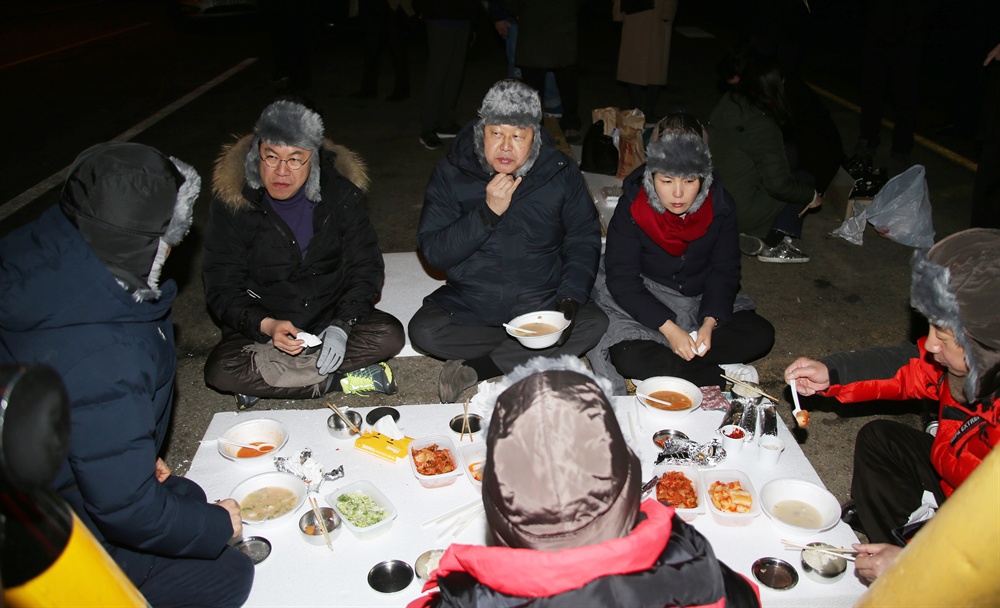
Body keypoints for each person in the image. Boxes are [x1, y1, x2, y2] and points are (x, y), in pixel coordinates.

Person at [0, 142, 254, 607]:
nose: (179, 240)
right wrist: (221, 526)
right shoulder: (107, 350)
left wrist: (123, 455)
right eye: (173, 230)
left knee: (189, 496)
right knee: (228, 572)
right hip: (41, 518)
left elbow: (85, 413)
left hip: (31, 468)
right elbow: (126, 511)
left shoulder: (42, 254)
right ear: (148, 239)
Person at [407, 356, 761, 607]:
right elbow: (746, 595)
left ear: (495, 500)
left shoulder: (472, 595)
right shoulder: (694, 564)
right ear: (629, 476)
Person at [785, 228, 1000, 545]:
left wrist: (913, 563)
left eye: (942, 335)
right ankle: (901, 535)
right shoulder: (969, 362)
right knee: (880, 439)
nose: (931, 345)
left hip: (983, 529)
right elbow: (911, 368)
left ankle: (908, 563)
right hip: (957, 479)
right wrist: (832, 373)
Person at [409, 79, 609, 403]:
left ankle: (480, 367)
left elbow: (582, 238)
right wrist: (486, 214)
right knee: (423, 331)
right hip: (473, 302)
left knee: (592, 322)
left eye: (518, 136)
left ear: (535, 137)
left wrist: (570, 297)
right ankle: (528, 353)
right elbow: (434, 252)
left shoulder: (559, 172)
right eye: (496, 133)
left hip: (539, 303)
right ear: (481, 130)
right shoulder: (452, 172)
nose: (505, 147)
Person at [203, 99, 404, 409]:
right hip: (266, 325)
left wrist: (342, 323)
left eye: (295, 159)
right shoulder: (235, 202)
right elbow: (221, 286)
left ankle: (274, 381)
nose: (281, 171)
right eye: (271, 157)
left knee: (389, 335)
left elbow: (364, 267)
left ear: (315, 161)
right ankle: (339, 380)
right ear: (258, 153)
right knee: (220, 369)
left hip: (326, 314)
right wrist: (266, 324)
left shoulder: (341, 195)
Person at [589, 113, 775, 394]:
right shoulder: (632, 207)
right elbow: (623, 279)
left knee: (761, 335)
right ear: (652, 174)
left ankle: (672, 367)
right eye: (666, 180)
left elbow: (724, 270)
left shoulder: (720, 206)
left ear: (704, 175)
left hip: (698, 299)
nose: (678, 194)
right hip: (646, 297)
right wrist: (669, 329)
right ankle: (717, 374)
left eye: (689, 181)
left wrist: (709, 323)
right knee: (627, 355)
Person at [708, 57, 823, 263]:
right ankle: (773, 243)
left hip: (712, 200)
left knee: (787, 155)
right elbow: (778, 186)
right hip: (737, 209)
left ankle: (732, 233)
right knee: (803, 180)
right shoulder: (762, 125)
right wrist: (811, 195)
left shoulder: (730, 103)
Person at [505, 0, 584, 142]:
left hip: (562, 21)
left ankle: (570, 123)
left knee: (567, 79)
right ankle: (532, 126)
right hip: (533, 21)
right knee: (532, 84)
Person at [414, 0, 479, 150]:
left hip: (463, 15)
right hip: (440, 14)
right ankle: (428, 128)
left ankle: (446, 123)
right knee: (438, 73)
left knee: (454, 73)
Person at [612, 0, 680, 121]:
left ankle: (643, 110)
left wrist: (667, 14)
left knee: (651, 67)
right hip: (639, 12)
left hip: (652, 14)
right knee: (643, 66)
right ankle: (640, 110)